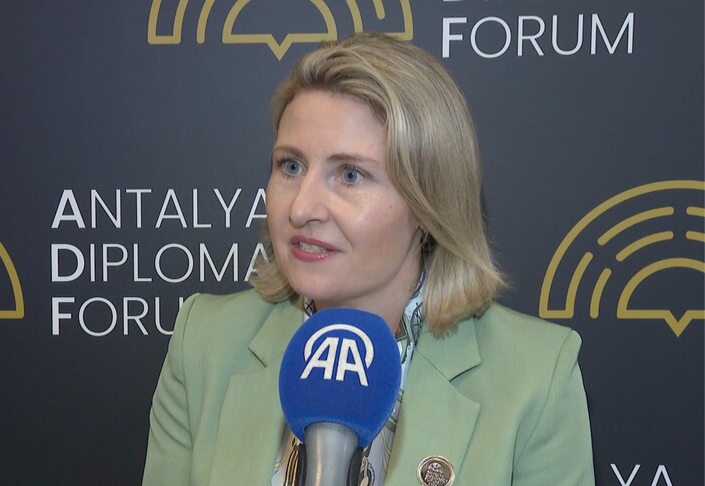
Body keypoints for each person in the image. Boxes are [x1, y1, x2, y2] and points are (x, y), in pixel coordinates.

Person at [142, 32, 594, 486]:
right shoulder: (205, 343)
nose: (301, 208)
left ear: (426, 203)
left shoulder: (536, 377)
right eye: (291, 166)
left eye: (350, 175)